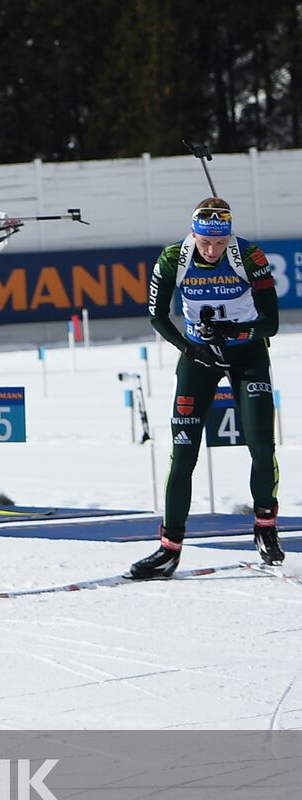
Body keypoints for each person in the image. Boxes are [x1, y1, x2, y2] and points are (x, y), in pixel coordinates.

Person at [129, 197, 283, 577]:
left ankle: (265, 527)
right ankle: (169, 548)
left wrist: (236, 331)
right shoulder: (172, 259)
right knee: (183, 454)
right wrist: (189, 347)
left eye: (219, 242)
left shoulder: (250, 256)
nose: (212, 250)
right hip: (199, 357)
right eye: (204, 242)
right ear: (194, 234)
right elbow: (157, 315)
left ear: (228, 236)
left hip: (247, 355)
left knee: (262, 446)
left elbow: (271, 322)